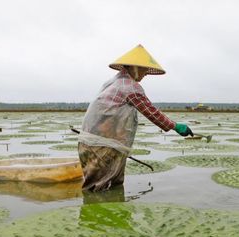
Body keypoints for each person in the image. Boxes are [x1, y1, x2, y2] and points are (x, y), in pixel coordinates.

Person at [77, 44, 194, 192]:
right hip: (102, 146)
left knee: (113, 185)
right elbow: (152, 113)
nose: (145, 74)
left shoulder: (113, 82)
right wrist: (175, 126)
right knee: (97, 188)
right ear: (134, 68)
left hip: (95, 143)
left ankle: (116, 211)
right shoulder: (131, 87)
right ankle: (97, 213)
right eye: (144, 70)